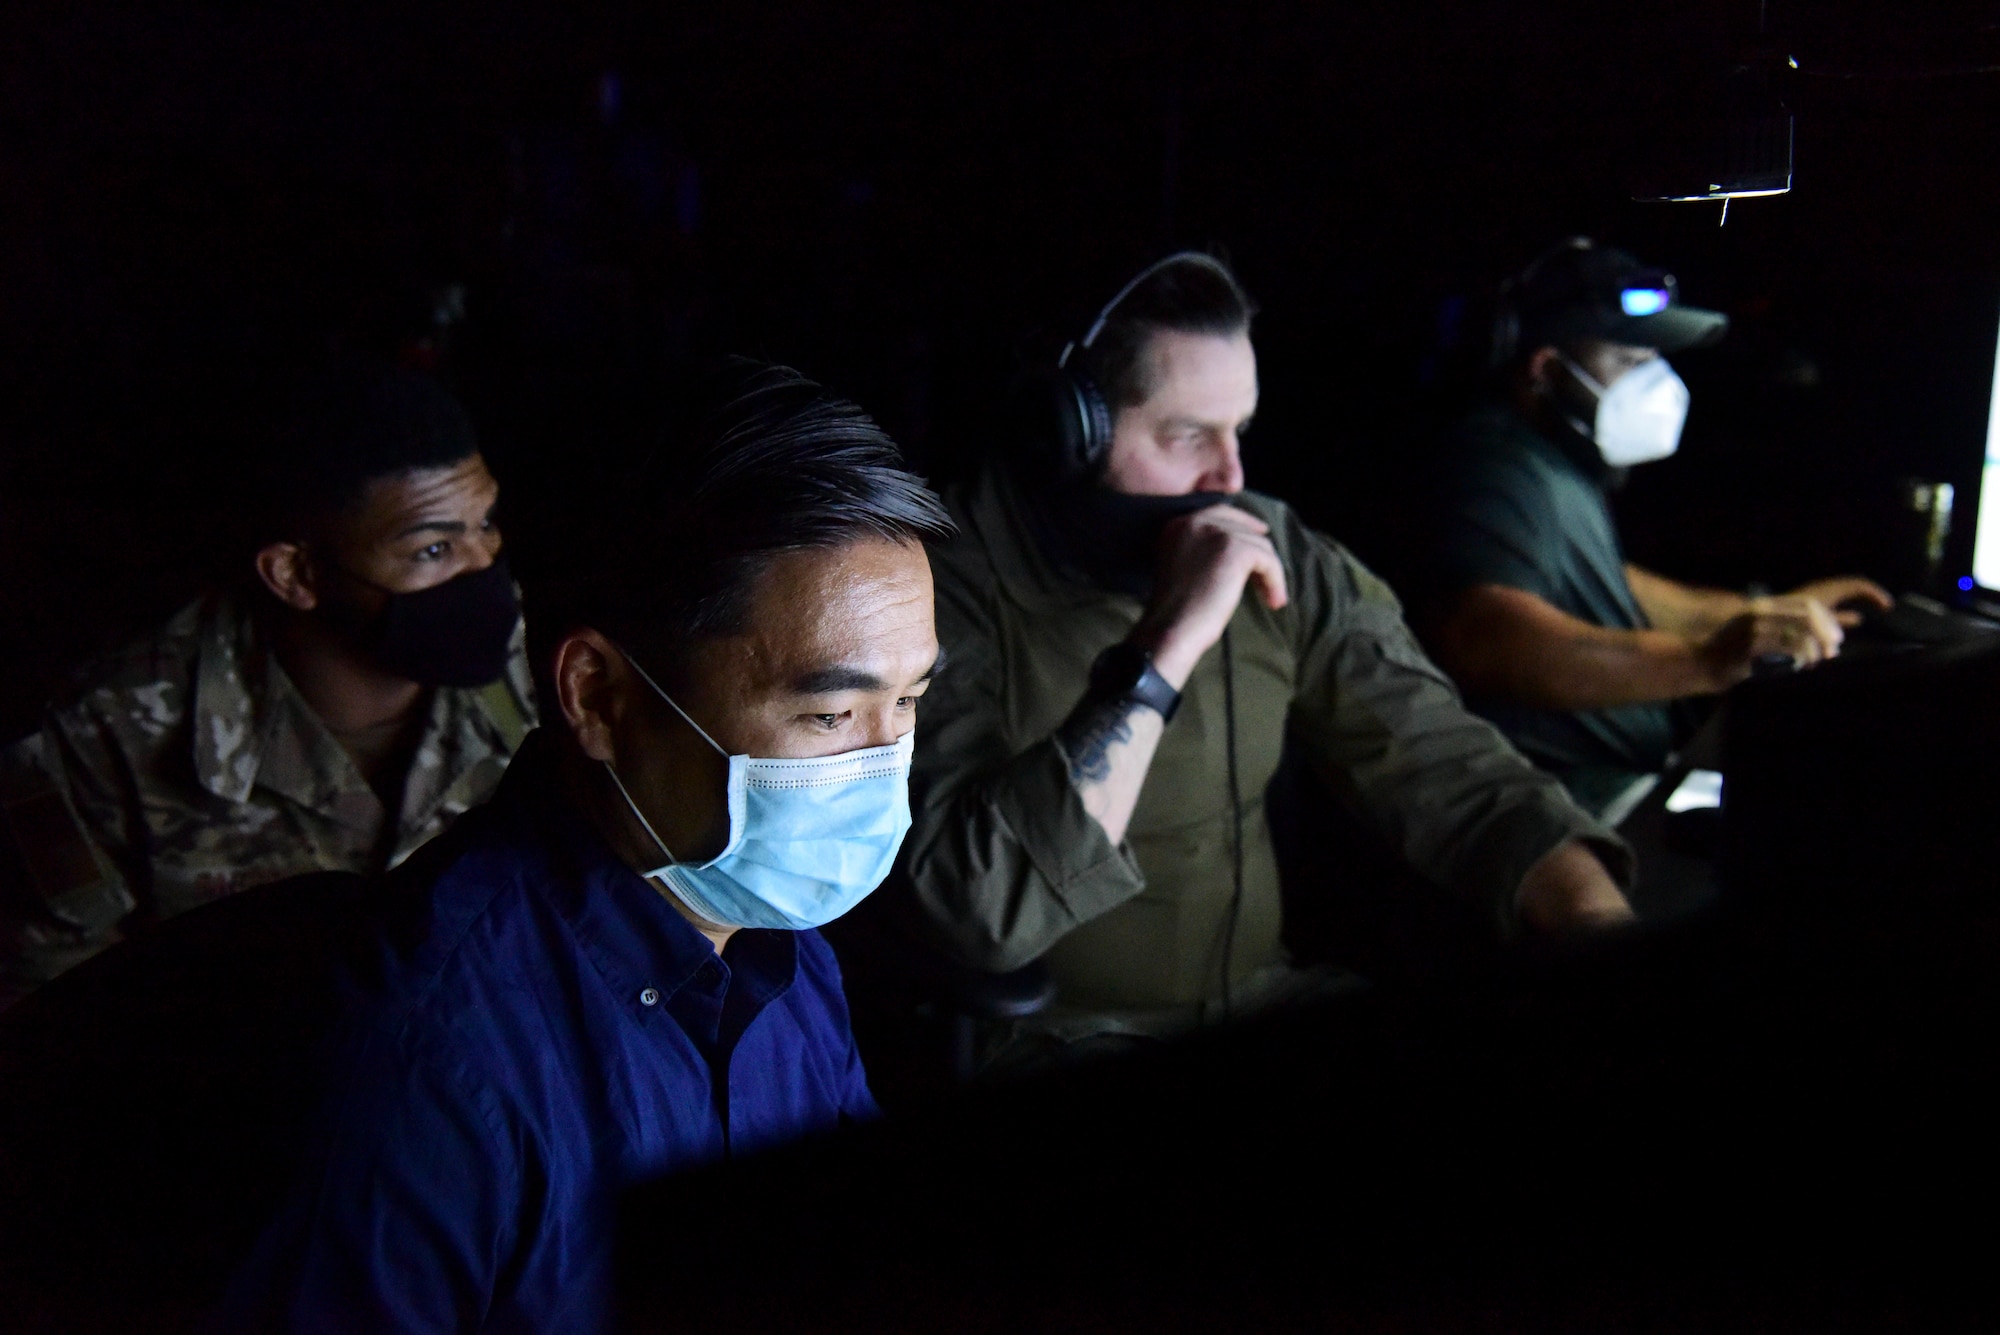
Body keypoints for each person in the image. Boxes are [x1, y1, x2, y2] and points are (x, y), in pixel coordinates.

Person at [215, 361, 954, 1331]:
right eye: (826, 715)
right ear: (598, 697)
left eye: (907, 703)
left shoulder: (784, 954)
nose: (879, 764)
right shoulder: (424, 1072)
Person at [895, 252, 1634, 1059]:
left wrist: (1595, 919)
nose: (1231, 476)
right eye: (1188, 436)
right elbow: (980, 911)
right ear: (1062, 432)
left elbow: (1442, 761)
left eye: (1239, 432)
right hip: (1057, 1040)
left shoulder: (1273, 546)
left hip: (1262, 996)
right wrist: (1168, 642)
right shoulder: (937, 589)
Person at [0, 366, 535, 1004]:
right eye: (433, 550)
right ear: (293, 574)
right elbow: (47, 1005)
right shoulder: (102, 738)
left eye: (486, 525)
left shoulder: (534, 661)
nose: (483, 567)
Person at [1420, 238, 1891, 815]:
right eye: (1632, 360)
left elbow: (1605, 582)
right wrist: (1704, 662)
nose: (1657, 381)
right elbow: (1487, 638)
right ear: (1546, 368)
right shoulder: (1493, 465)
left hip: (1620, 786)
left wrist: (1764, 615)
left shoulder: (1552, 459)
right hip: (1566, 811)